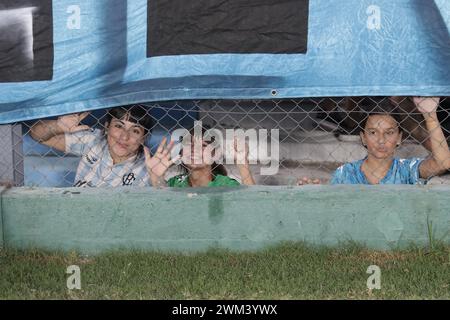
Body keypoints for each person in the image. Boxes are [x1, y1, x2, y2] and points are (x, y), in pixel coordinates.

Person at [30, 104, 168, 187]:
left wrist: (157, 179)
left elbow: (168, 207)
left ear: (143, 138)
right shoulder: (94, 140)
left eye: (135, 130)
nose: (124, 136)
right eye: (119, 126)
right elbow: (37, 135)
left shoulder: (152, 167)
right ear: (106, 127)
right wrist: (58, 126)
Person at [330, 97, 450, 184]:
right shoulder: (345, 173)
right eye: (373, 132)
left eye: (389, 132)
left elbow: (442, 163)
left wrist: (431, 117)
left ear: (399, 138)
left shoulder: (407, 170)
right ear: (363, 138)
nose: (381, 140)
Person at [144, 127, 256, 187]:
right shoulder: (176, 183)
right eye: (190, 144)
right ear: (181, 154)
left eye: (203, 145)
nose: (195, 149)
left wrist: (242, 163)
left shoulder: (224, 184)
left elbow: (253, 207)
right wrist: (156, 177)